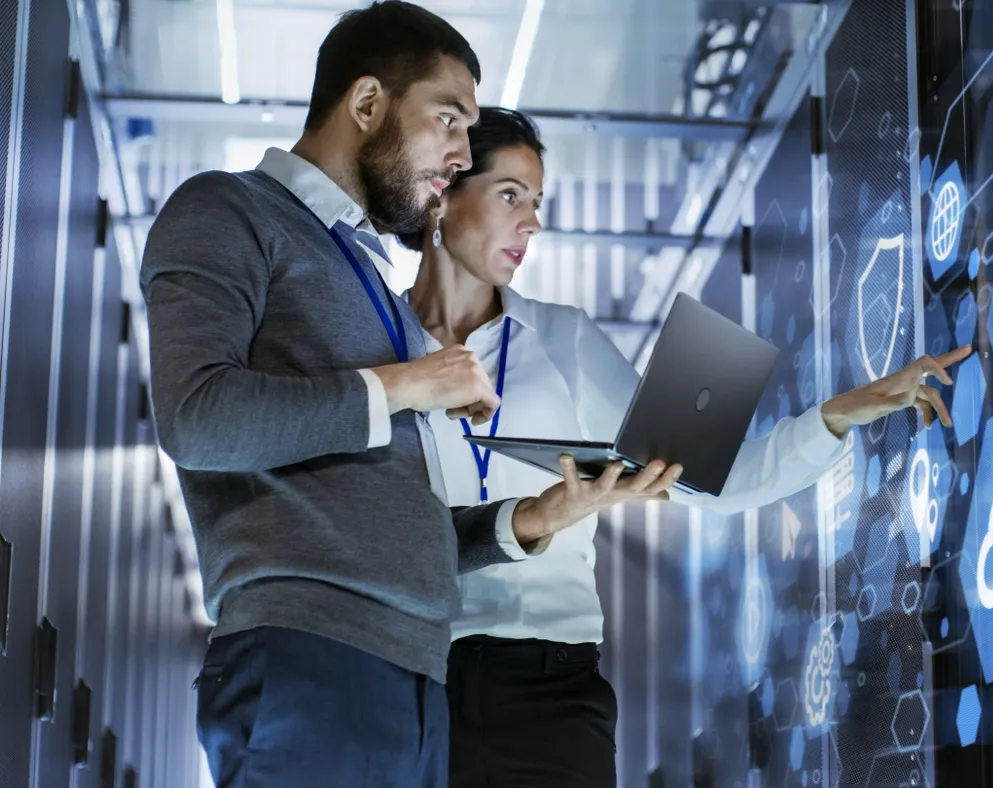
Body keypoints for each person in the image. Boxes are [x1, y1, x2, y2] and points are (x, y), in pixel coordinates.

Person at [140, 6, 678, 787]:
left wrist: (533, 521)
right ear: (366, 105)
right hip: (309, 657)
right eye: (448, 119)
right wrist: (408, 383)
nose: (460, 154)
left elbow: (399, 522)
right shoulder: (227, 210)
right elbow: (197, 417)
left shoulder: (375, 291)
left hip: (416, 680)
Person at [397, 107, 974, 787]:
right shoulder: (377, 347)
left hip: (548, 687)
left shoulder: (564, 340)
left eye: (539, 203)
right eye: (510, 195)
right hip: (410, 678)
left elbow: (714, 482)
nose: (533, 222)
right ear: (443, 194)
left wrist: (840, 415)